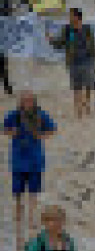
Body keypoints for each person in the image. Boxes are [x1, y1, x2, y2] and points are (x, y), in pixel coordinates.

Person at [5, 92, 57, 232]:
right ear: (21, 102)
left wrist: (41, 136)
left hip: (35, 159)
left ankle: (31, 216)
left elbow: (53, 129)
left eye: (30, 101)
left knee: (33, 190)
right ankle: (18, 211)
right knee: (17, 190)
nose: (27, 103)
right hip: (18, 158)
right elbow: (4, 129)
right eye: (25, 101)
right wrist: (12, 132)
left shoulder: (41, 115)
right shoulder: (14, 115)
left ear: (34, 101)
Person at [48, 8, 95, 119]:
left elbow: (93, 44)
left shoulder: (87, 29)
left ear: (77, 17)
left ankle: (87, 103)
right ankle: (78, 108)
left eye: (71, 15)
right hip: (73, 62)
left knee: (89, 84)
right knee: (76, 86)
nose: (70, 18)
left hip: (88, 60)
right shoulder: (67, 29)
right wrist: (51, 40)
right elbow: (59, 44)